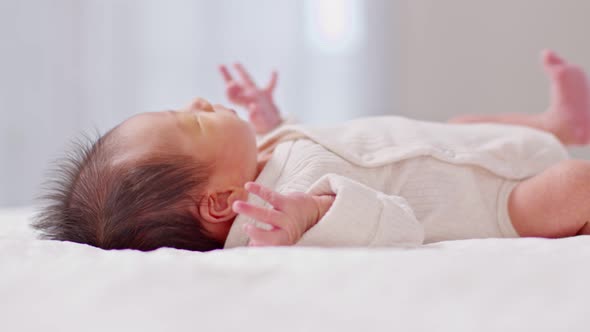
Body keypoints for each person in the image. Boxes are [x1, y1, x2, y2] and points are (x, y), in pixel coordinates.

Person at [34, 50, 590, 251]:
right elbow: (394, 227)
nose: (200, 99)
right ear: (222, 204)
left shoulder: (260, 163)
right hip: (498, 205)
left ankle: (554, 125)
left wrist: (272, 121)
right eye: (194, 122)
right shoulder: (276, 222)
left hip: (461, 147)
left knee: (468, 122)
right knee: (571, 186)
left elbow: (317, 146)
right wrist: (313, 216)